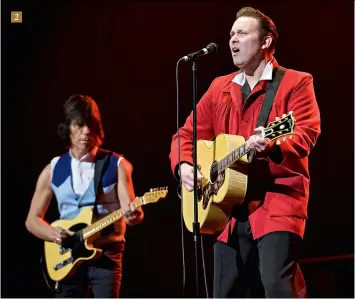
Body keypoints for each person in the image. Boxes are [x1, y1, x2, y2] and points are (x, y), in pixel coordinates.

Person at [169, 6, 321, 298]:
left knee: (277, 286)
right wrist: (184, 166)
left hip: (277, 203)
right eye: (231, 34)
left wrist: (274, 145)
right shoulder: (220, 88)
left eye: (242, 33)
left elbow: (306, 132)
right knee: (225, 293)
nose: (232, 40)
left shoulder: (296, 82)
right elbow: (185, 134)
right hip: (227, 209)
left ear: (265, 42)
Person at [25, 94, 144, 298]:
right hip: (67, 257)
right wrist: (53, 234)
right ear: (67, 128)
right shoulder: (52, 170)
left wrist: (134, 215)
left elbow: (131, 210)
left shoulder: (117, 165)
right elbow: (32, 220)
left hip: (106, 255)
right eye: (79, 125)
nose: (86, 131)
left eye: (90, 125)